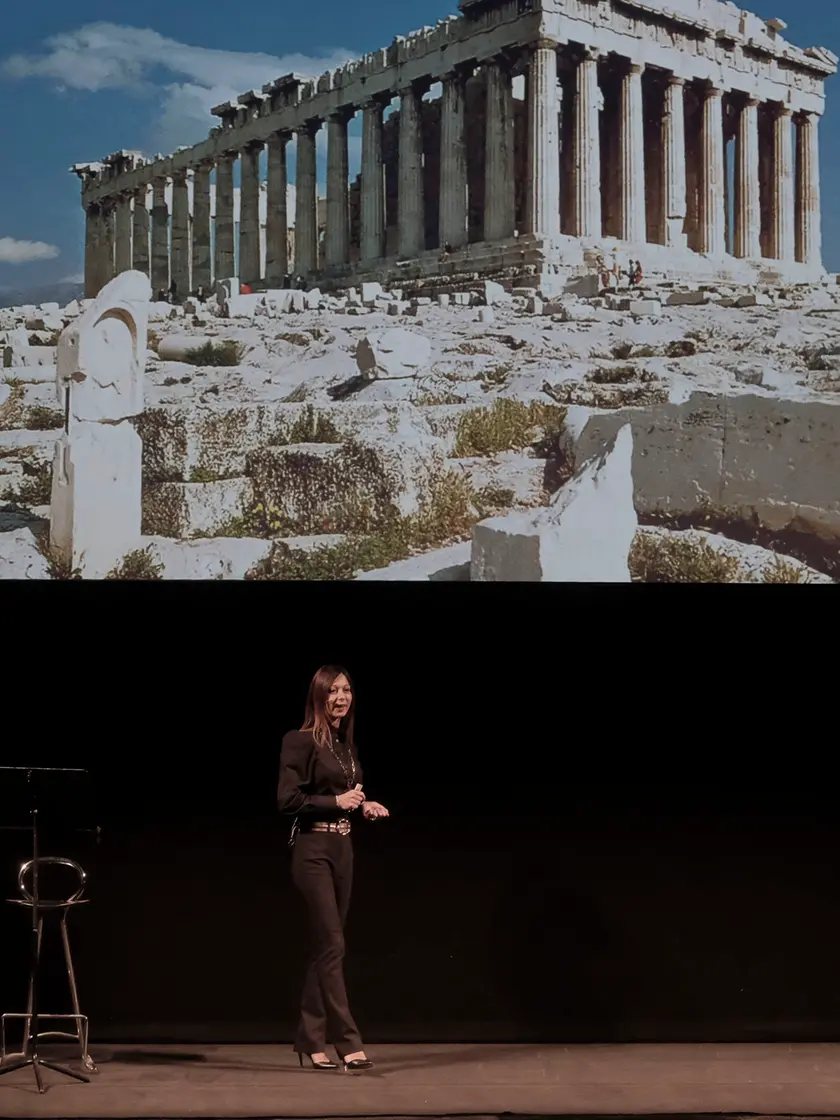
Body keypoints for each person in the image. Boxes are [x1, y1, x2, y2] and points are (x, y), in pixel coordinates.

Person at [278, 665, 390, 1073]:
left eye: (346, 690)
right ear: (318, 696)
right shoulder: (299, 741)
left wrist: (364, 805)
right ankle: (348, 1041)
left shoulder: (345, 746)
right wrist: (335, 803)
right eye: (333, 692)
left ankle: (310, 1040)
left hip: (343, 848)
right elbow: (287, 800)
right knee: (332, 945)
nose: (341, 697)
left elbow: (347, 794)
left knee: (326, 948)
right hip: (312, 850)